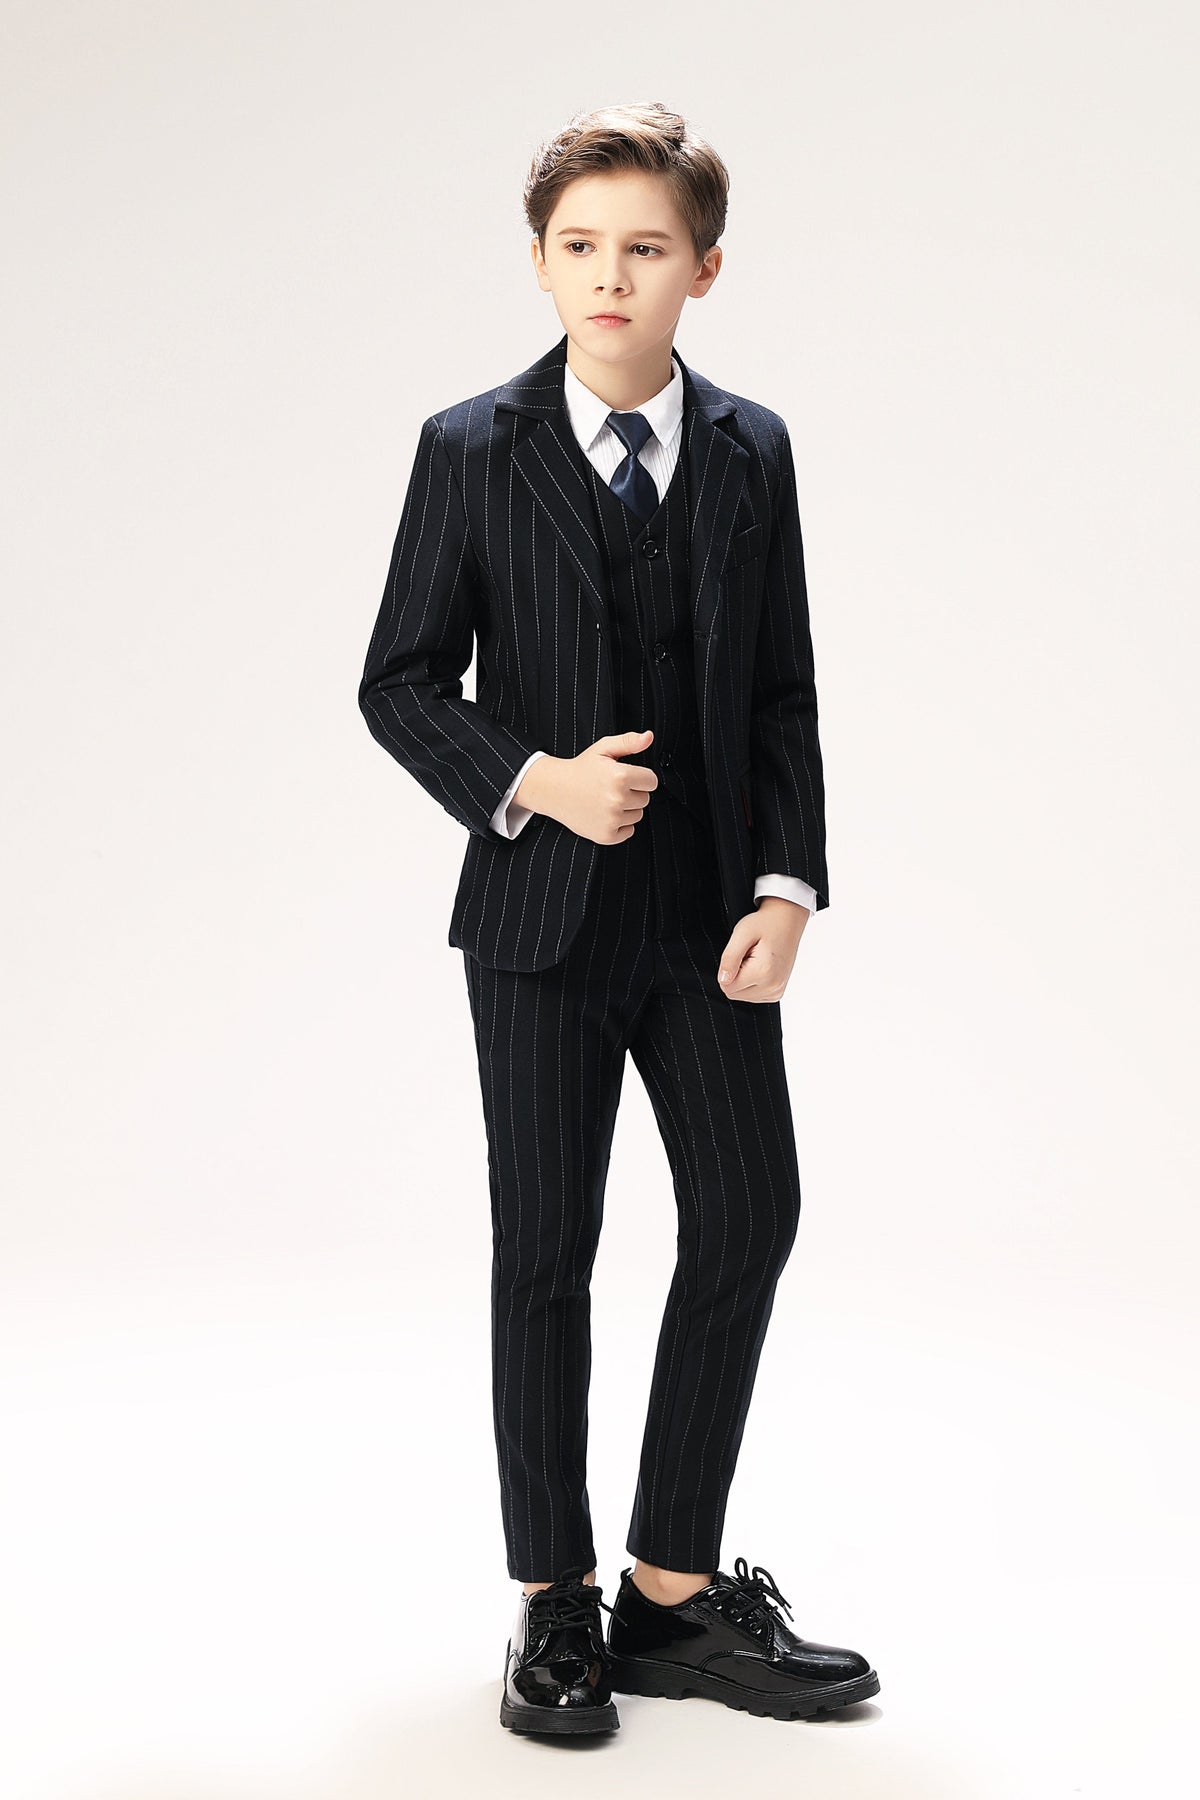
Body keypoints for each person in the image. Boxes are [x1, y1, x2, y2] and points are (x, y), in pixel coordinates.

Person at [358, 100, 879, 1737]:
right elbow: (398, 681)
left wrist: (788, 885)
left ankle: (669, 1592)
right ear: (538, 262)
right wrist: (535, 780)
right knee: (548, 1253)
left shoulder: (752, 450)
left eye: (645, 248)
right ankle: (553, 1601)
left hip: (710, 919)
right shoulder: (469, 448)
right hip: (539, 927)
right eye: (580, 245)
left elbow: (783, 689)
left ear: (702, 269)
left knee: (748, 1215)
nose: (610, 274)